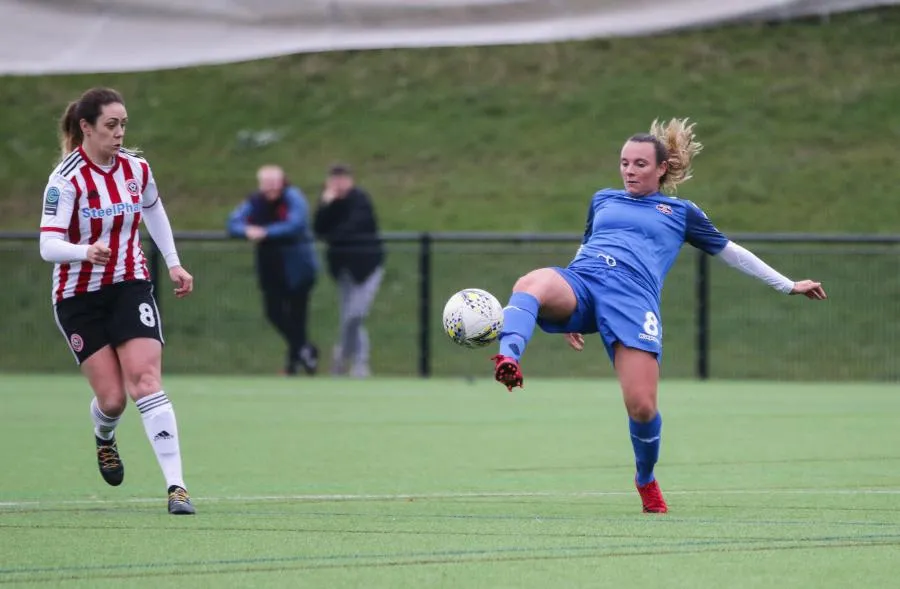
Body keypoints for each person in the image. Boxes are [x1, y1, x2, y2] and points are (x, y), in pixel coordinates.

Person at [491, 118, 827, 514]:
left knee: (643, 407)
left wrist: (787, 284)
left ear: (662, 168)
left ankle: (645, 479)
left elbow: (732, 252)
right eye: (624, 163)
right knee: (531, 282)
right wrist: (566, 311)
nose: (629, 171)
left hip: (633, 303)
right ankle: (508, 355)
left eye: (639, 164)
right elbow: (586, 247)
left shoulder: (681, 212)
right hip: (583, 282)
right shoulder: (603, 199)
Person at [38, 87, 196, 515]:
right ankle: (104, 436)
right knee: (112, 400)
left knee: (145, 379)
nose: (120, 133)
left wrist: (174, 263)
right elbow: (48, 246)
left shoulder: (136, 169)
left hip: (130, 285)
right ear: (86, 127)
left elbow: (154, 212)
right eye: (111, 125)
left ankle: (177, 487)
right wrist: (82, 251)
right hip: (78, 298)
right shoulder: (65, 180)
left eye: (123, 124)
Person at [227, 165, 319, 376]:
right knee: (274, 313)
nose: (269, 187)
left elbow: (296, 224)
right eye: (265, 183)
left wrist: (265, 232)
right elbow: (233, 223)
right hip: (270, 268)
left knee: (298, 316)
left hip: (297, 269)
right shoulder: (255, 201)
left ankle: (293, 365)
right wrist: (247, 231)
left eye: (273, 182)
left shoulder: (293, 197)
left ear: (282, 181)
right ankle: (306, 349)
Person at [313, 164, 385, 377]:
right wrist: (325, 205)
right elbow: (317, 229)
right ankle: (359, 364)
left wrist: (332, 235)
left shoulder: (360, 200)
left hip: (368, 267)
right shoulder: (328, 203)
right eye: (334, 180)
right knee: (348, 317)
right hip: (342, 269)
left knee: (356, 315)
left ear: (350, 180)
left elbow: (353, 227)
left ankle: (342, 355)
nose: (338, 184)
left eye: (342, 179)